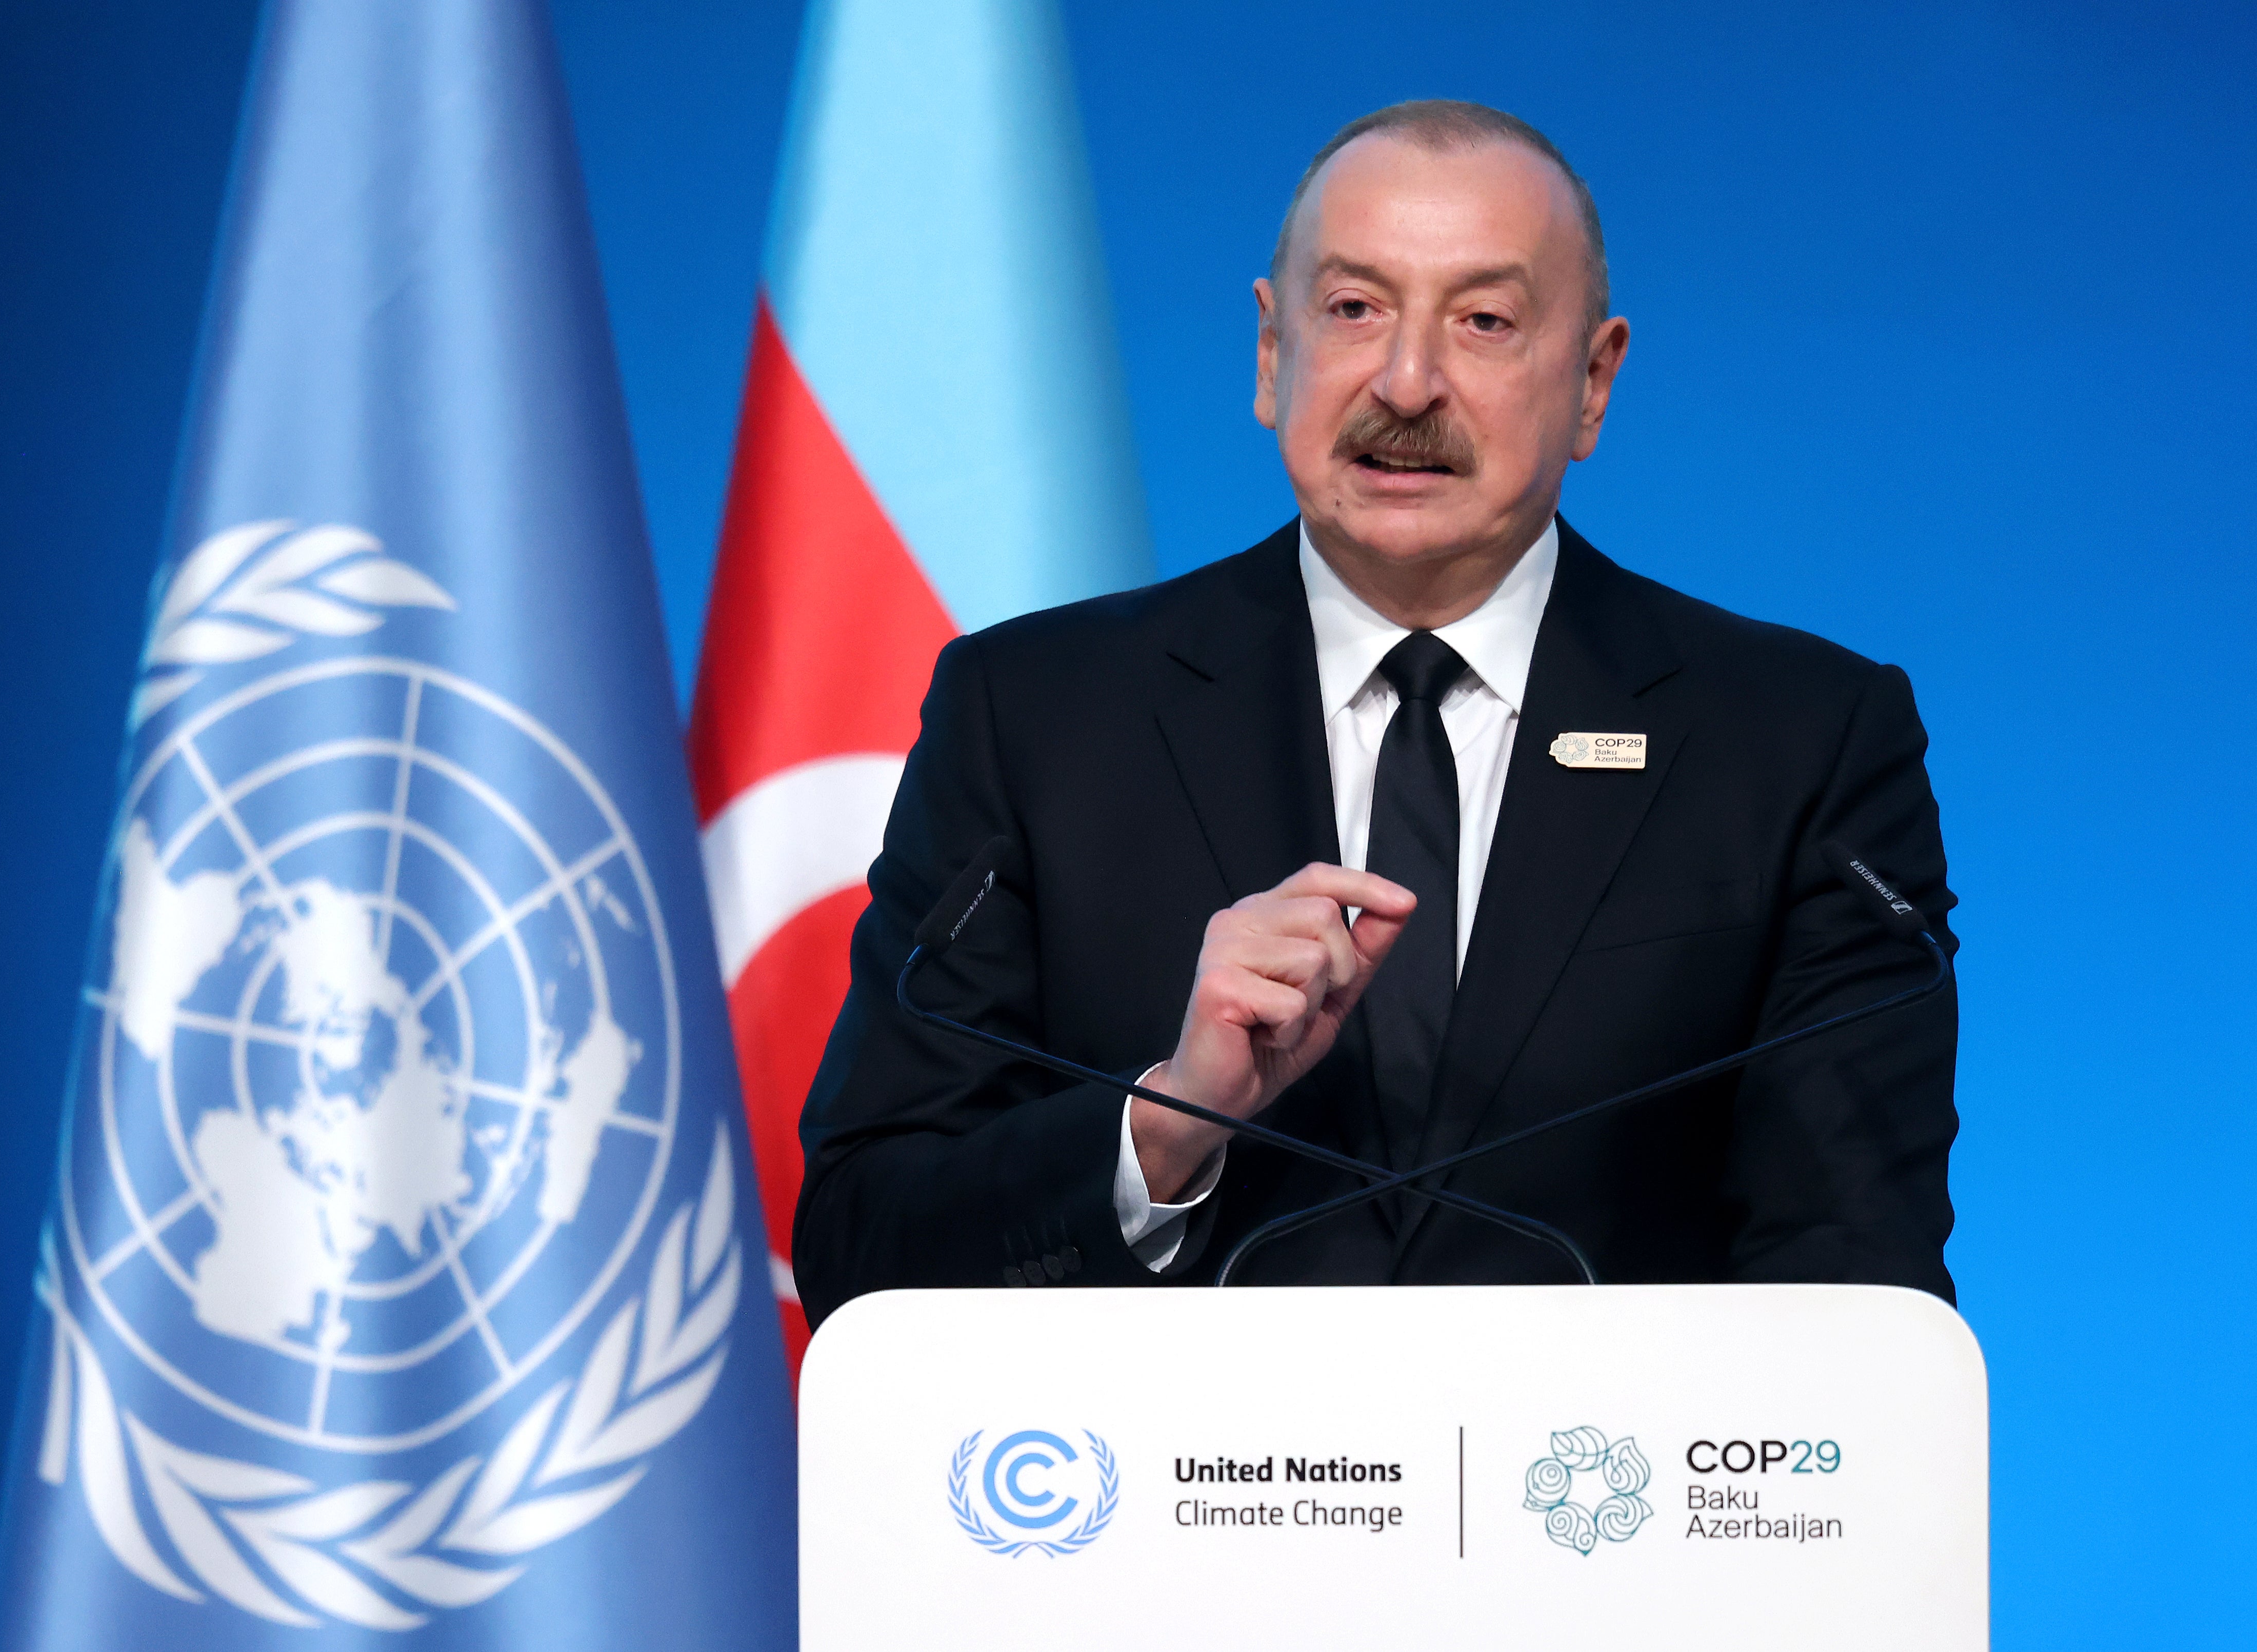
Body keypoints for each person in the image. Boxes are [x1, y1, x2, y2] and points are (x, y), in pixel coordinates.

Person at [790, 100, 1958, 1319]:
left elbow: (1854, 1291)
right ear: (1269, 351)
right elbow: (862, 1250)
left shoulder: (1794, 742)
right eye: (1353, 310)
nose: (1405, 383)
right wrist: (1164, 1126)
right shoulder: (1034, 717)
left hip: (1597, 1505)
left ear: (1594, 382)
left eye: (1485, 321)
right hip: (1174, 1505)